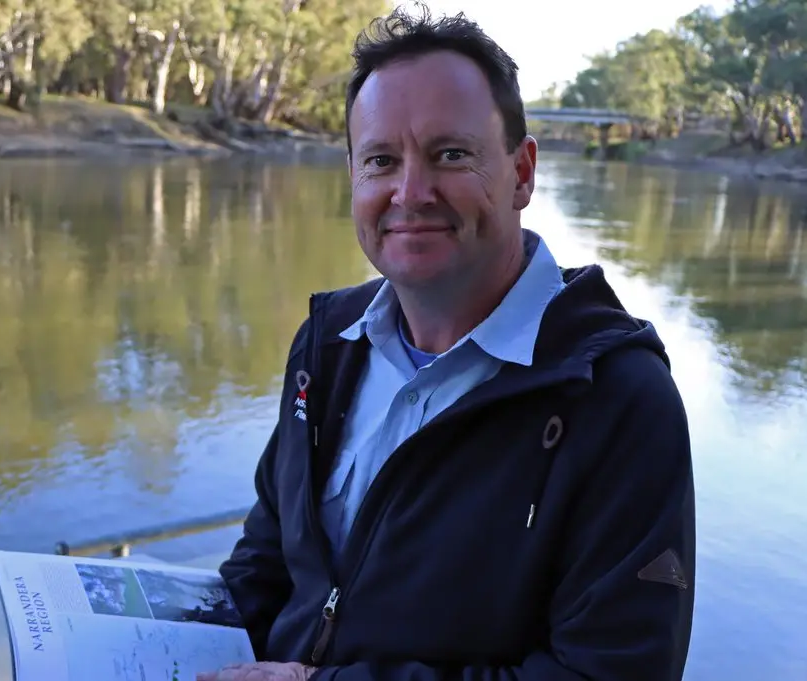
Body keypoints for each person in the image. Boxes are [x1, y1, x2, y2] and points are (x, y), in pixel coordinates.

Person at [198, 4, 695, 681]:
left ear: (522, 173)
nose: (410, 192)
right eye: (380, 160)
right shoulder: (326, 346)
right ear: (353, 176)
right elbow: (267, 559)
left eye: (450, 154)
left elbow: (607, 674)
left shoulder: (616, 399)